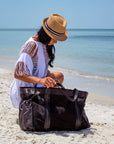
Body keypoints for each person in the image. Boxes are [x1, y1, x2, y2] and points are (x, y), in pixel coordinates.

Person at [10, 14, 68, 108]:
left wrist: (48, 76)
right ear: (47, 35)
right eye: (55, 38)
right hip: (25, 93)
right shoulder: (31, 46)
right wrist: (41, 81)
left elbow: (38, 67)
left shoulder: (44, 44)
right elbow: (18, 73)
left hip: (36, 85)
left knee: (59, 76)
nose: (56, 42)